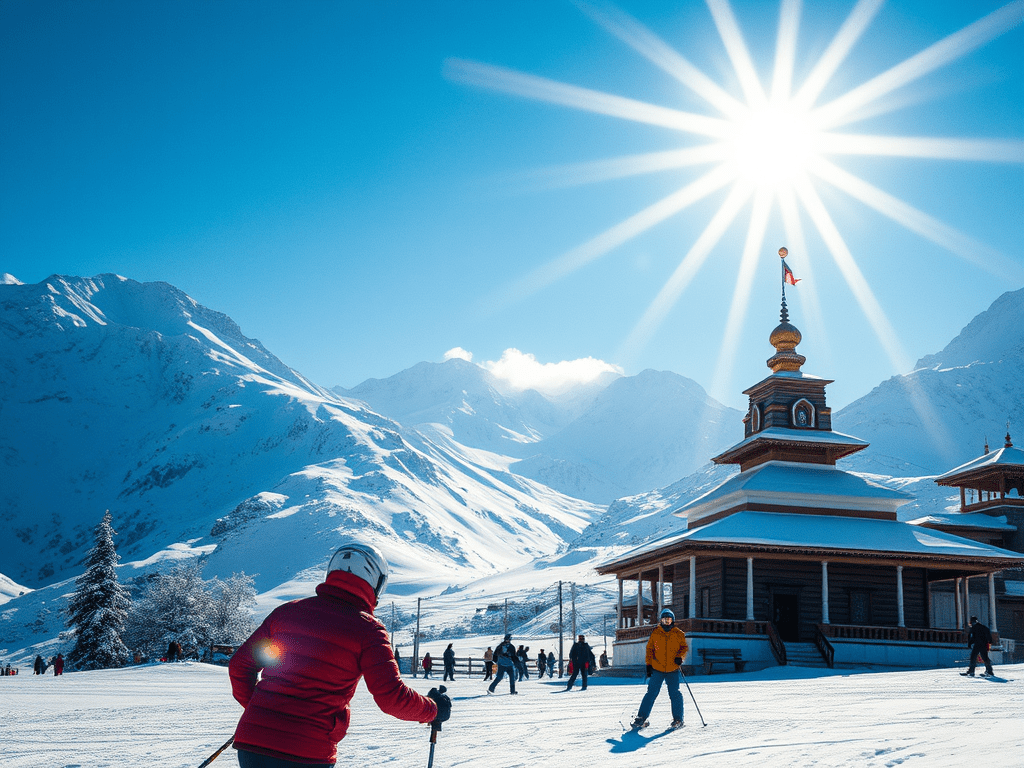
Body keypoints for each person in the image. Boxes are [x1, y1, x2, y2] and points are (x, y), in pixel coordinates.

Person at [229, 541, 448, 767]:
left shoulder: (287, 611)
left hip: (253, 744)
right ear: (376, 584)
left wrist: (262, 709)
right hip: (307, 751)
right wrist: (433, 708)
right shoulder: (368, 630)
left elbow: (240, 665)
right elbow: (391, 698)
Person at [631, 609, 688, 729]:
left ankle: (678, 719)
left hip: (673, 669)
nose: (666, 622)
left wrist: (680, 657)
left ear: (672, 621)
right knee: (651, 693)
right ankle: (641, 718)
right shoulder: (656, 633)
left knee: (675, 694)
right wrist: (648, 665)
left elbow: (684, 648)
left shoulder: (679, 633)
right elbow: (649, 650)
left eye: (669, 620)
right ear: (660, 621)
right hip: (657, 668)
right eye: (664, 620)